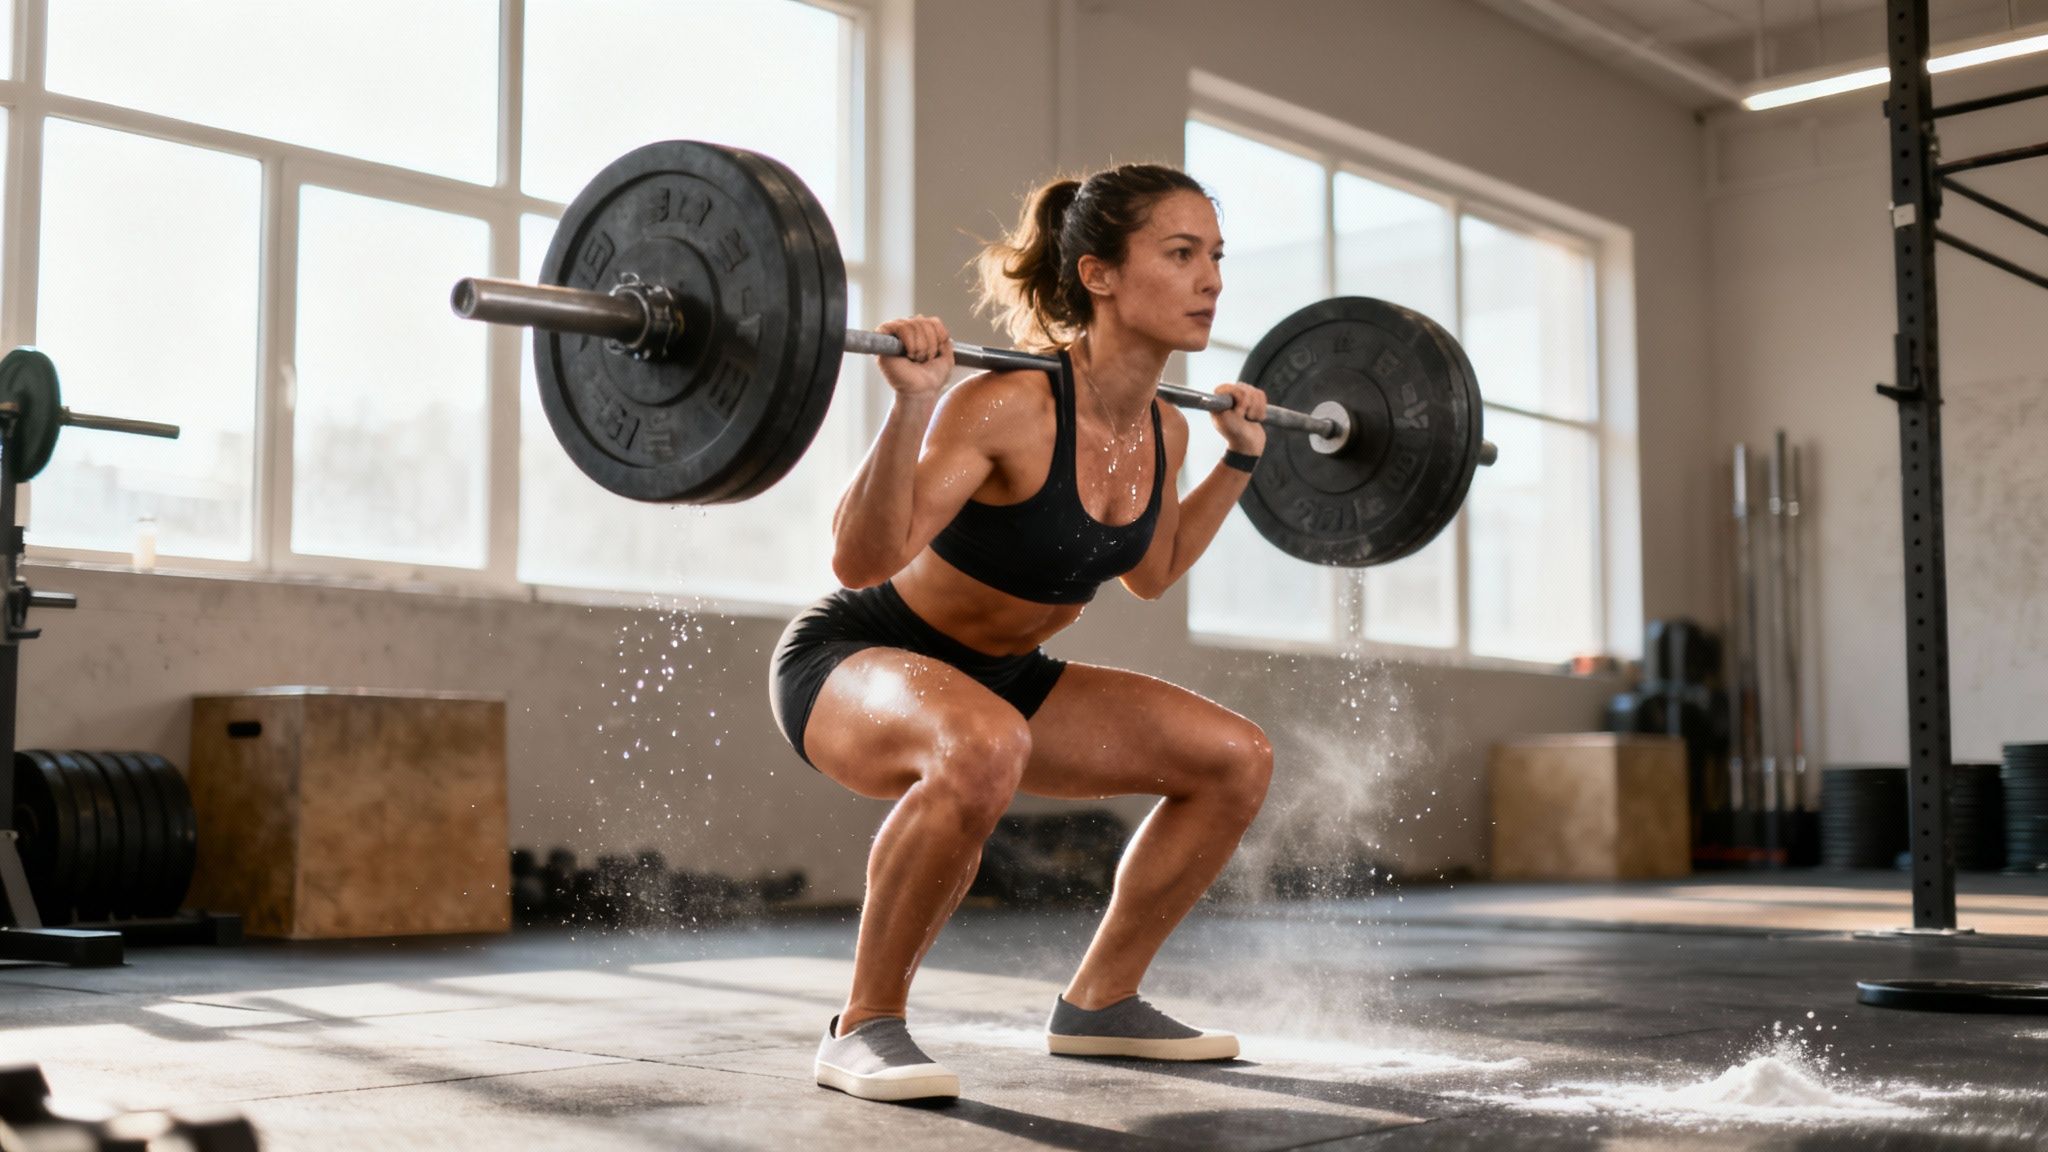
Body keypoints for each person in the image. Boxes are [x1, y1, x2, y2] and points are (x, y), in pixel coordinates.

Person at [768, 163, 1274, 1103]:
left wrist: (1240, 466)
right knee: (984, 739)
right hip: (857, 658)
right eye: (1180, 254)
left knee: (1235, 758)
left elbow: (1153, 572)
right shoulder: (1005, 405)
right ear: (1099, 276)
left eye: (1215, 256)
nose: (1211, 279)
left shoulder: (1169, 429)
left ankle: (1101, 1004)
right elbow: (856, 559)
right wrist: (913, 402)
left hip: (1003, 677)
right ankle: (863, 1024)